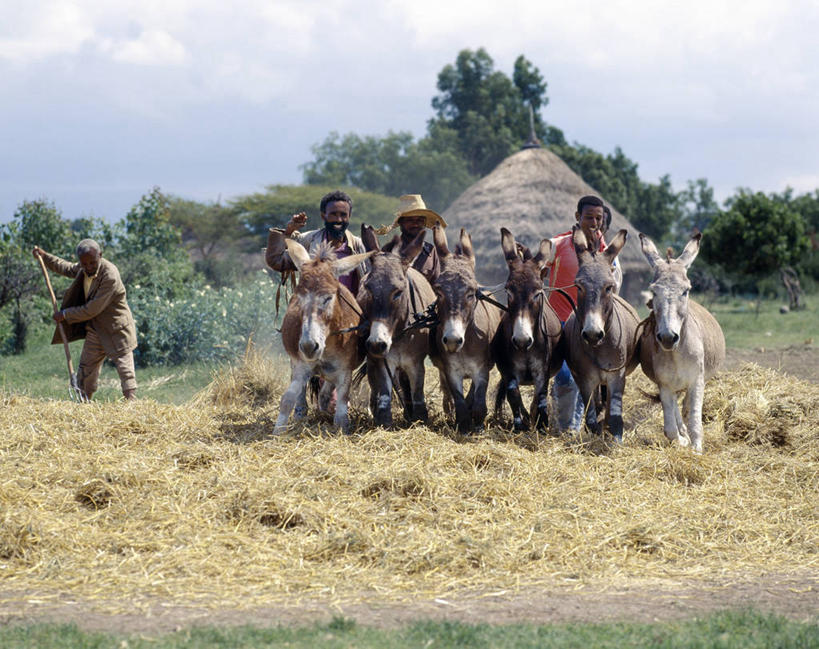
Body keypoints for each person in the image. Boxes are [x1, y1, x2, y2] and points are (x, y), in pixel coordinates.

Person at [32, 239, 137, 401]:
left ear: (100, 256)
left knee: (126, 371)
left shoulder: (110, 276)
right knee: (86, 372)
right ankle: (84, 406)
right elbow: (66, 267)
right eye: (84, 264)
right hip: (96, 329)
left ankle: (133, 409)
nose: (88, 267)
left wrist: (65, 314)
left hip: (117, 329)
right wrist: (45, 257)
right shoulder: (83, 268)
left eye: (92, 263)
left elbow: (92, 309)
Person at [544, 195, 613, 431]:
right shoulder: (557, 245)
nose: (594, 223)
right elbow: (536, 272)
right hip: (559, 325)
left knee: (592, 379)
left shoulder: (609, 253)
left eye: (598, 218)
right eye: (588, 217)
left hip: (593, 327)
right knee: (565, 377)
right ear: (577, 217)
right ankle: (565, 430)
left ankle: (583, 425)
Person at [266, 190, 368, 295]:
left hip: (351, 310)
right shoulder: (309, 240)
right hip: (314, 308)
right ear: (323, 216)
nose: (339, 219)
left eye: (343, 215)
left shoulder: (359, 247)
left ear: (349, 216)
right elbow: (276, 261)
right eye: (333, 214)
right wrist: (288, 231)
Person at [375, 194, 447, 283]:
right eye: (410, 220)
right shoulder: (389, 250)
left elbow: (437, 285)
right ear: (401, 223)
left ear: (424, 223)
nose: (415, 224)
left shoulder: (431, 251)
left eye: (419, 220)